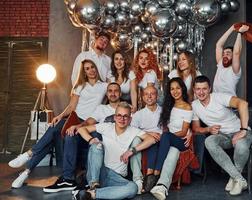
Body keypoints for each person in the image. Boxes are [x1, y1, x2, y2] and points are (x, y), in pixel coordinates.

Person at [8, 59, 108, 189]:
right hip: (75, 118)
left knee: (51, 138)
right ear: (84, 72)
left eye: (92, 67)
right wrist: (60, 116)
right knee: (55, 126)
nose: (91, 70)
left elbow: (119, 90)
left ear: (96, 68)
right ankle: (27, 165)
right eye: (87, 69)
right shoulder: (80, 86)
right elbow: (72, 106)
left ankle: (27, 162)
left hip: (88, 122)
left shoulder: (105, 86)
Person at [43, 82, 121, 193]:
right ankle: (68, 179)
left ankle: (88, 180)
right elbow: (89, 121)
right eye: (110, 91)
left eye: (116, 90)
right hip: (97, 135)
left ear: (120, 93)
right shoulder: (101, 108)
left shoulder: (126, 108)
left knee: (96, 134)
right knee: (72, 134)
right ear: (106, 94)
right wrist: (76, 126)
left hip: (108, 138)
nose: (113, 93)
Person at [74, 102, 159, 200]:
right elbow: (81, 129)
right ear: (114, 117)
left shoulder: (133, 130)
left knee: (133, 188)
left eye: (125, 116)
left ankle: (91, 194)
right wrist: (91, 140)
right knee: (96, 146)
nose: (122, 119)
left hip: (116, 177)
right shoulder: (106, 126)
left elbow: (151, 140)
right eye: (119, 115)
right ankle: (94, 184)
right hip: (100, 171)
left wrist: (132, 151)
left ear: (130, 119)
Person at [192, 75, 252, 196]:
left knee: (241, 145)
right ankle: (239, 179)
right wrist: (208, 129)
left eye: (204, 88)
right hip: (224, 136)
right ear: (194, 90)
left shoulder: (219, 97)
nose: (201, 92)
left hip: (239, 132)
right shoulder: (194, 106)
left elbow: (243, 104)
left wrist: (243, 130)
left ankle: (235, 177)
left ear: (209, 89)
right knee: (209, 141)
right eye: (198, 89)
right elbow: (196, 128)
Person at [149, 78, 193, 200]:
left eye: (177, 88)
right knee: (172, 151)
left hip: (182, 141)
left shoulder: (187, 107)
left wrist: (168, 137)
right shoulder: (168, 106)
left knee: (166, 136)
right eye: (172, 89)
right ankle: (162, 187)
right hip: (171, 142)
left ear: (182, 89)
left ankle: (156, 172)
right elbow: (165, 126)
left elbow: (184, 131)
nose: (175, 91)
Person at [127, 86, 162, 194]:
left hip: (160, 139)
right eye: (146, 94)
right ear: (142, 97)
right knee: (135, 140)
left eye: (152, 93)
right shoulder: (138, 114)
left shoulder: (164, 111)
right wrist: (148, 133)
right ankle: (138, 179)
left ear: (157, 96)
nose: (149, 96)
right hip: (144, 140)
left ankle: (151, 177)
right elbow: (132, 130)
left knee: (156, 141)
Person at [213, 24, 249, 96]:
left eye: (228, 53)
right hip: (216, 101)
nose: (224, 55)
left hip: (229, 103)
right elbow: (219, 45)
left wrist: (239, 33)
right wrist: (232, 28)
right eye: (223, 54)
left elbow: (236, 52)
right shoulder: (220, 65)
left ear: (233, 57)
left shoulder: (235, 70)